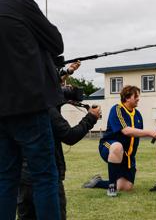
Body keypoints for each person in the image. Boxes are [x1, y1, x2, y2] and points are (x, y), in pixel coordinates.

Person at [0, 0, 65, 219]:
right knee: (44, 176)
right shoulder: (20, 1)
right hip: (29, 105)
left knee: (6, 178)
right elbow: (56, 43)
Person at [17, 62, 101, 220]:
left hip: (23, 177)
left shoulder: (20, 102)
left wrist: (68, 71)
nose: (64, 87)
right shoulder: (47, 108)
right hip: (46, 177)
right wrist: (91, 117)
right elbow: (69, 136)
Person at [97, 85, 156, 197]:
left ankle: (97, 182)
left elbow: (135, 135)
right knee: (117, 146)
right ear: (126, 98)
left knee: (125, 187)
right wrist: (150, 132)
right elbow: (126, 131)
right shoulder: (117, 109)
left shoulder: (138, 114)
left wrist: (132, 161)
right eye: (135, 96)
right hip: (109, 146)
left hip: (127, 157)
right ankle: (111, 188)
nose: (138, 98)